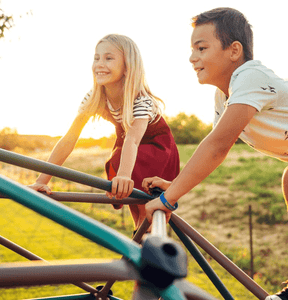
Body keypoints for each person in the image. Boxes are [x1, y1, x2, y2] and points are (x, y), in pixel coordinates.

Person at [142, 8, 288, 300]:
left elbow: (217, 147)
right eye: (192, 49)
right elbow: (210, 153)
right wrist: (177, 186)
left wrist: (168, 200)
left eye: (202, 48)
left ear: (234, 50)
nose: (192, 57)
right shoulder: (224, 96)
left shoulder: (250, 76)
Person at [29, 34, 180, 233]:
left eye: (108, 58)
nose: (100, 64)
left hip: (157, 148)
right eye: (96, 58)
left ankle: (149, 238)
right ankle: (140, 235)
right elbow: (70, 138)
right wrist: (42, 181)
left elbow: (134, 139)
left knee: (142, 202)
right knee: (132, 199)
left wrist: (124, 175)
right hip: (126, 148)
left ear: (127, 66)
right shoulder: (94, 98)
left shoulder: (140, 100)